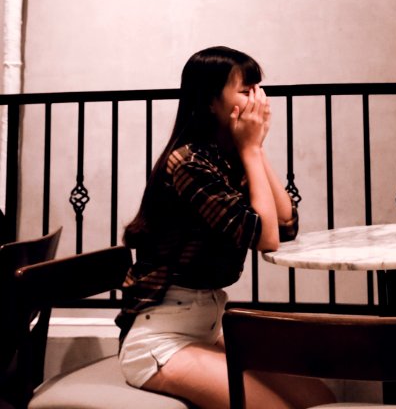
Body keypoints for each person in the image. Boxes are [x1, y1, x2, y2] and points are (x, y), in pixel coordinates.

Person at [117, 46, 334, 409]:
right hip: (161, 338)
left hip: (208, 326)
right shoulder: (188, 163)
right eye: (246, 91)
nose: (258, 101)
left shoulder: (226, 156)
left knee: (319, 399)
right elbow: (266, 240)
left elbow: (284, 225)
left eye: (258, 89)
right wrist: (250, 150)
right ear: (210, 102)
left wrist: (255, 149)